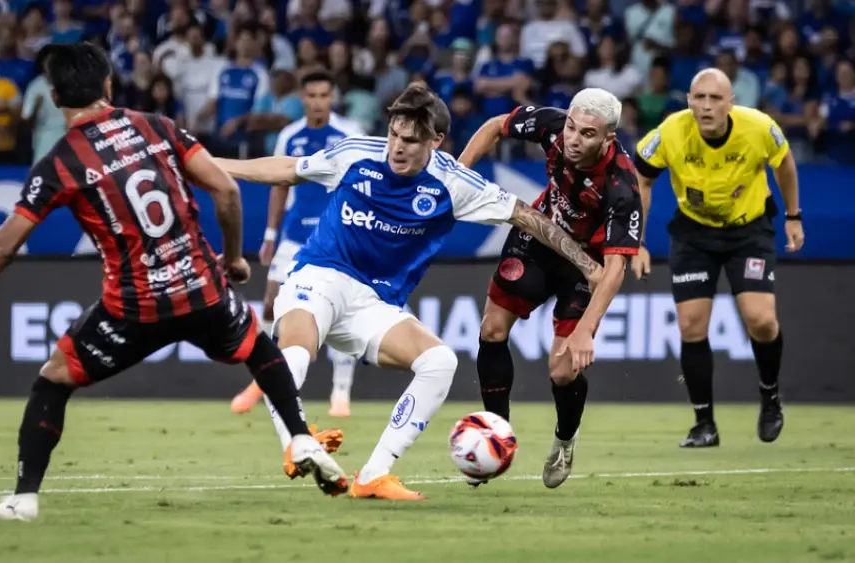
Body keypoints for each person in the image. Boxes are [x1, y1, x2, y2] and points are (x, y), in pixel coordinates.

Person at [0, 43, 348, 522]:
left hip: (134, 308)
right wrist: (233, 259)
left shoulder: (61, 162)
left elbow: (2, 247)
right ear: (108, 85)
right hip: (201, 287)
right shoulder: (156, 126)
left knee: (52, 381)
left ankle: (23, 499)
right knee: (259, 345)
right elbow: (227, 189)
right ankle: (299, 437)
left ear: (53, 98)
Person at [214, 83, 605, 500]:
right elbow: (287, 169)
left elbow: (526, 217)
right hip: (319, 276)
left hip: (374, 304)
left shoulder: (453, 184)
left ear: (436, 142)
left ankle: (372, 476)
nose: (397, 148)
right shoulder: (356, 153)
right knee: (296, 349)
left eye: (411, 141)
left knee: (439, 361)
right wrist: (213, 166)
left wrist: (587, 265)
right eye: (394, 136)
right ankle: (296, 441)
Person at [457, 89, 643, 489]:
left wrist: (584, 330)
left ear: (608, 139)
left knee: (562, 371)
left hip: (586, 267)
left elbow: (613, 271)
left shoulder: (621, 187)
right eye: (573, 128)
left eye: (588, 134)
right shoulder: (552, 125)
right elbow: (494, 126)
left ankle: (565, 438)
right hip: (539, 240)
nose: (574, 140)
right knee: (491, 330)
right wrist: (455, 175)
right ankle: (496, 437)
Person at [631, 68, 803, 448]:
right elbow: (641, 179)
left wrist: (793, 216)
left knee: (761, 321)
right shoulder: (670, 132)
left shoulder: (759, 128)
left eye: (715, 99)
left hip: (749, 229)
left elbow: (785, 164)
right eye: (699, 98)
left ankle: (770, 395)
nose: (706, 106)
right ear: (689, 100)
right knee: (692, 325)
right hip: (694, 234)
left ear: (731, 103)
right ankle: (704, 424)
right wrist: (637, 242)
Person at [229, 70, 366, 418]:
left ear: (332, 97)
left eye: (324, 95)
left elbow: (365, 184)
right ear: (302, 98)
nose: (318, 101)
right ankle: (263, 379)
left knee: (340, 314)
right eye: (312, 95)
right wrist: (271, 235)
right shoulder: (290, 135)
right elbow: (279, 183)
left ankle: (341, 394)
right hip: (293, 234)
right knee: (272, 306)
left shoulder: (350, 135)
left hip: (337, 237)